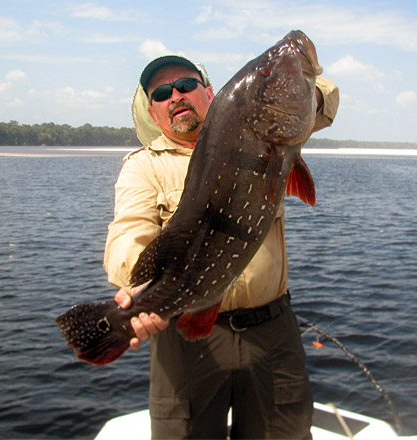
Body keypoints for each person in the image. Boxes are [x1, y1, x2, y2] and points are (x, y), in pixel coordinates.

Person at [103, 54, 339, 439]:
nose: (175, 95)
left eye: (186, 85)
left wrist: (294, 87)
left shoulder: (264, 129)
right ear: (153, 111)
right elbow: (128, 235)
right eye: (162, 93)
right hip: (183, 335)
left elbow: (325, 96)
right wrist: (140, 292)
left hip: (272, 330)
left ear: (210, 93)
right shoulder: (142, 166)